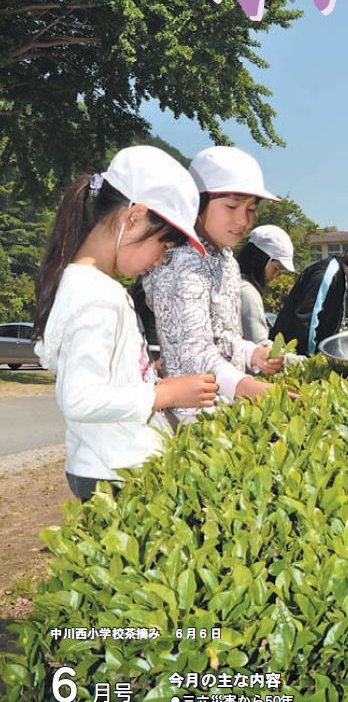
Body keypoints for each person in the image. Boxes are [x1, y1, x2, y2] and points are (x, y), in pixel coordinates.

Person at [33, 146, 218, 501]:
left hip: (109, 465)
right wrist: (164, 394)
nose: (161, 259)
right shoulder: (95, 295)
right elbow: (80, 398)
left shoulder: (87, 284)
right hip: (114, 473)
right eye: (164, 244)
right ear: (132, 218)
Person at [143, 145, 290, 418]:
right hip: (190, 416)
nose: (242, 220)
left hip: (223, 409)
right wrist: (245, 385)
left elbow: (224, 338)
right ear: (197, 203)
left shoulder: (226, 260)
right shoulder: (177, 262)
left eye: (251, 209)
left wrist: (252, 354)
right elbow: (193, 354)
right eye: (231, 206)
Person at [270, 237, 348, 355]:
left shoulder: (339, 277)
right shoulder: (328, 274)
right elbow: (308, 319)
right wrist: (311, 358)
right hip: (290, 354)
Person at [237, 225, 295, 345]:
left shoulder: (233, 281)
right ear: (262, 260)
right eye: (276, 269)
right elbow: (260, 345)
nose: (275, 276)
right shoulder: (247, 292)